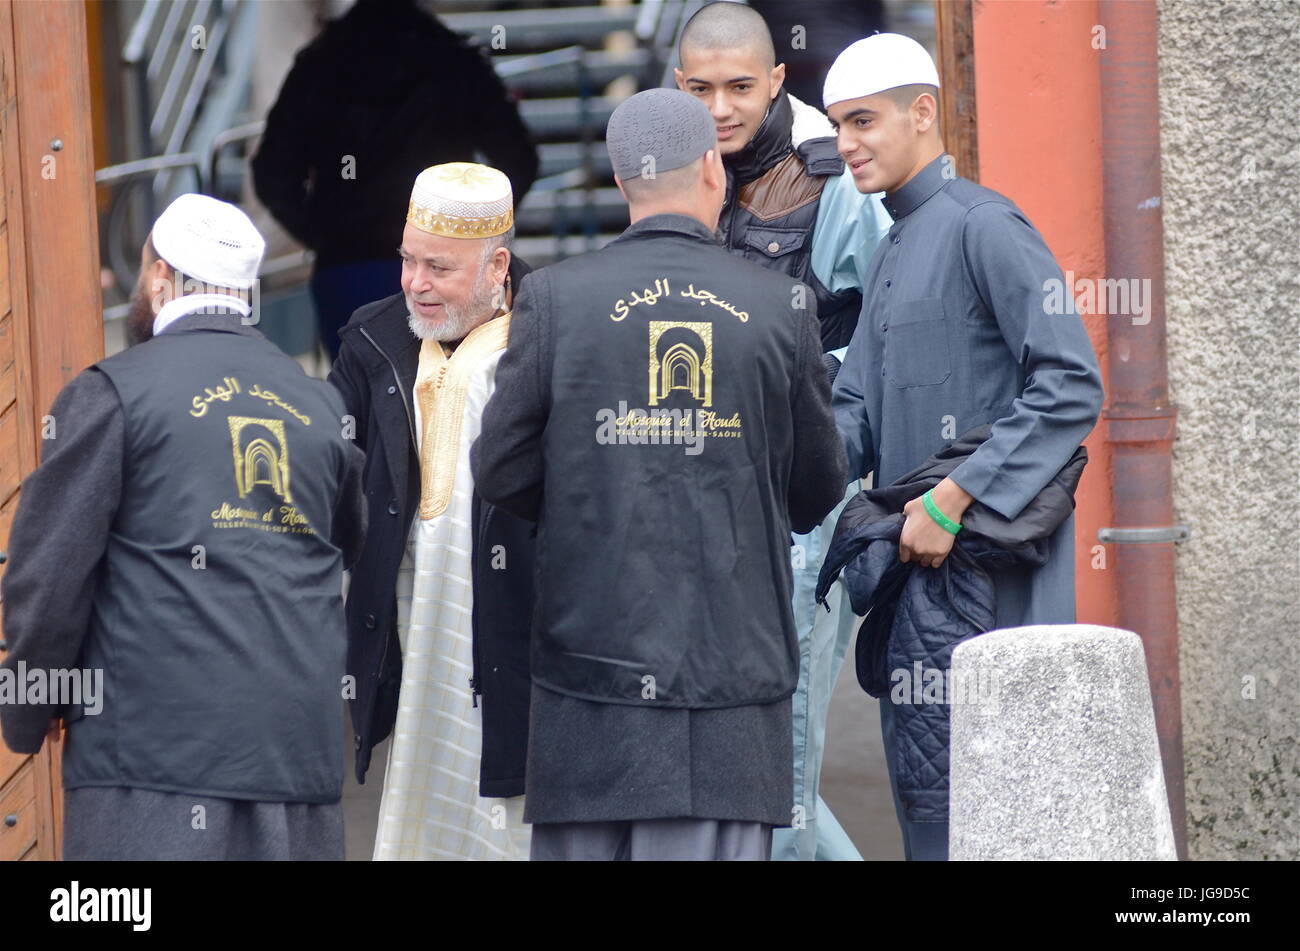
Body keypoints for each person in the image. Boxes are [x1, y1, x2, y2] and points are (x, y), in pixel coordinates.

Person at [471, 88, 848, 861]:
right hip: (731, 700)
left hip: (589, 692)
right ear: (713, 168)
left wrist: (585, 496)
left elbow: (500, 469)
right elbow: (816, 488)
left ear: (619, 182)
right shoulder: (780, 306)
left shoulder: (553, 300)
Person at [0, 194, 366, 860]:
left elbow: (48, 575)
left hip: (150, 769)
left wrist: (29, 708)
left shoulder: (113, 391)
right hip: (296, 765)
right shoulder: (319, 406)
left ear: (160, 277)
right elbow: (347, 541)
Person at [824, 34, 1105, 860]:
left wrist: (955, 496)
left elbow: (1070, 383)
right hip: (920, 597)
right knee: (936, 818)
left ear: (923, 113)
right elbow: (852, 423)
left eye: (865, 120)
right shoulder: (887, 252)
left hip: (1001, 581)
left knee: (1016, 816)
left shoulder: (986, 224)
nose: (847, 143)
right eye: (839, 124)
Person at [675, 0, 892, 860]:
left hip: (806, 500)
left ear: (774, 80)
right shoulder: (677, 160)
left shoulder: (828, 177)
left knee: (778, 777)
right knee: (758, 776)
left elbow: (890, 323)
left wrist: (842, 457)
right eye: (700, 88)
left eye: (739, 88)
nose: (720, 107)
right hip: (708, 497)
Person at [329, 162, 535, 861]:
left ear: (496, 265)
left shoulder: (552, 328)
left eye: (438, 268)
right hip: (415, 619)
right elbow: (335, 474)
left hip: (522, 622)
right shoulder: (371, 338)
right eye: (408, 260)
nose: (415, 282)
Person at [252, 0, 538, 361]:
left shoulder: (320, 63)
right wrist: (472, 232)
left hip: (349, 264)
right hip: (446, 260)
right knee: (454, 397)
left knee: (360, 403)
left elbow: (272, 172)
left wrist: (322, 232)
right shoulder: (455, 59)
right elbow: (519, 161)